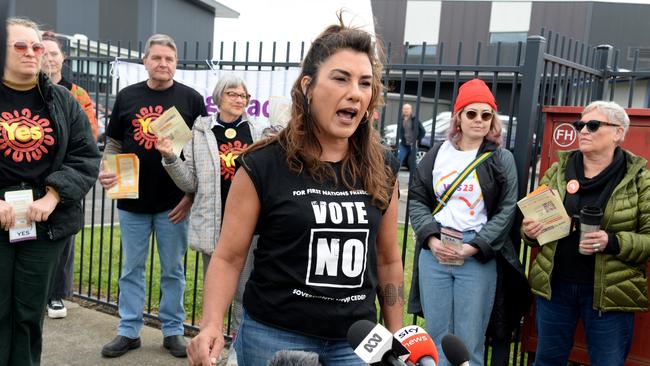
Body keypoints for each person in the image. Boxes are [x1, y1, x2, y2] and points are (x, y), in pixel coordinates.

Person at [187, 15, 404, 366]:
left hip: (358, 341)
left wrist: (397, 335)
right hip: (275, 336)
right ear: (308, 86)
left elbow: (389, 259)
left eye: (365, 83)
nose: (355, 92)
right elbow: (228, 256)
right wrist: (211, 323)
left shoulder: (383, 169)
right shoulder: (262, 165)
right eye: (340, 78)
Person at [98, 33, 207, 358]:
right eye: (156, 58)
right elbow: (115, 142)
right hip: (132, 201)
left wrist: (190, 195)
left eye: (169, 59)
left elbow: (203, 152)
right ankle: (129, 331)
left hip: (174, 204)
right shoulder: (128, 96)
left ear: (175, 63)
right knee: (131, 268)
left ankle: (173, 331)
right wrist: (107, 167)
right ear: (145, 61)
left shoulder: (191, 99)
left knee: (173, 269)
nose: (163, 64)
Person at [0, 17, 100, 365]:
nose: (31, 53)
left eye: (37, 46)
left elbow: (86, 156)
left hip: (44, 222)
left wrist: (53, 195)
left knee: (29, 313)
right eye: (20, 46)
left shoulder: (63, 101)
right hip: (0, 217)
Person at [523, 101, 650, 366]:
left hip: (609, 293)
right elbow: (534, 223)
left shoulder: (639, 179)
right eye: (580, 125)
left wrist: (612, 241)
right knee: (547, 360)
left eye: (593, 125)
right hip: (556, 288)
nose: (583, 131)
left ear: (618, 132)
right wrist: (530, 232)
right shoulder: (558, 170)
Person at [407, 78, 520, 366]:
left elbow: (506, 211)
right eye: (472, 113)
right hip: (435, 250)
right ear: (458, 116)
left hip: (476, 253)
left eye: (486, 115)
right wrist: (431, 240)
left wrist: (472, 248)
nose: (479, 121)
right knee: (436, 337)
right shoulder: (437, 154)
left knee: (469, 342)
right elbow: (418, 199)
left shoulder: (500, 159)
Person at [157, 73, 259, 362]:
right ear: (219, 97)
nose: (240, 100)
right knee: (217, 298)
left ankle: (239, 353)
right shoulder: (200, 131)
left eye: (244, 96)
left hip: (250, 227)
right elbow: (190, 184)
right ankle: (211, 349)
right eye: (233, 94)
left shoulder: (259, 131)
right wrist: (169, 158)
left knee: (244, 296)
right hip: (214, 226)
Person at [40, 30, 100, 320]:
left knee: (63, 239)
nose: (49, 58)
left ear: (63, 57)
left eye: (54, 53)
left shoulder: (77, 94)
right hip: (30, 180)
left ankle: (55, 296)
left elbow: (90, 133)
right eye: (44, 52)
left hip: (64, 177)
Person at [396, 102, 424, 168]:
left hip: (413, 144)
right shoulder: (401, 119)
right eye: (404, 109)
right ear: (402, 110)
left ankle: (414, 177)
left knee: (413, 162)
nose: (406, 110)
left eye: (407, 109)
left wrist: (417, 140)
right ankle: (394, 176)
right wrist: (401, 137)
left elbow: (423, 131)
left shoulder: (415, 119)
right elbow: (399, 130)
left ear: (411, 110)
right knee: (399, 159)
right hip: (404, 144)